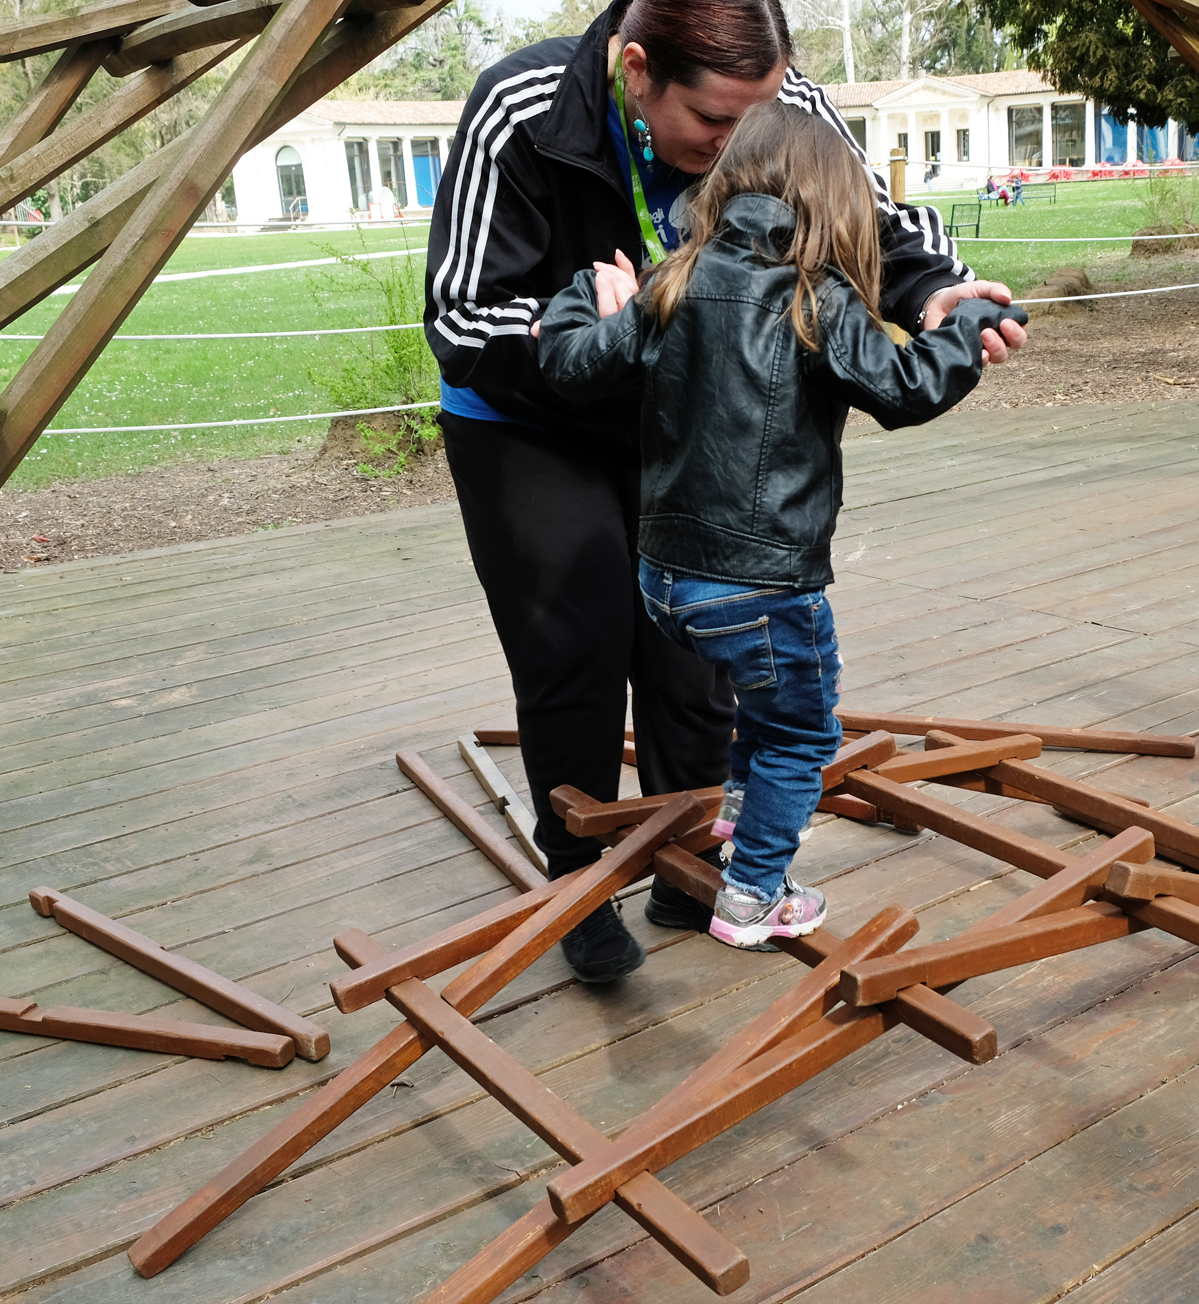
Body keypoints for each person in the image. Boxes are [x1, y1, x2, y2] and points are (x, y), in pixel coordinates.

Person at [425, 0, 1026, 981]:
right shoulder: (522, 106)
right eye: (713, 125)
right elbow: (465, 314)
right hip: (535, 414)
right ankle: (579, 880)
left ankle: (692, 859)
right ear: (636, 72)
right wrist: (581, 323)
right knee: (576, 640)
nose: (737, 142)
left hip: (682, 404)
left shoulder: (776, 93)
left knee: (696, 652)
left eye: (756, 119)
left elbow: (867, 213)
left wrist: (935, 295)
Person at [536, 103, 1024, 947]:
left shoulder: (670, 283)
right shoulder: (818, 300)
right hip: (763, 583)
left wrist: (584, 297)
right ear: (836, 204)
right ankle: (755, 893)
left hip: (664, 581)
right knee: (804, 726)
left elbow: (571, 363)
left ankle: (737, 809)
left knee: (759, 703)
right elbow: (907, 389)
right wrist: (967, 324)